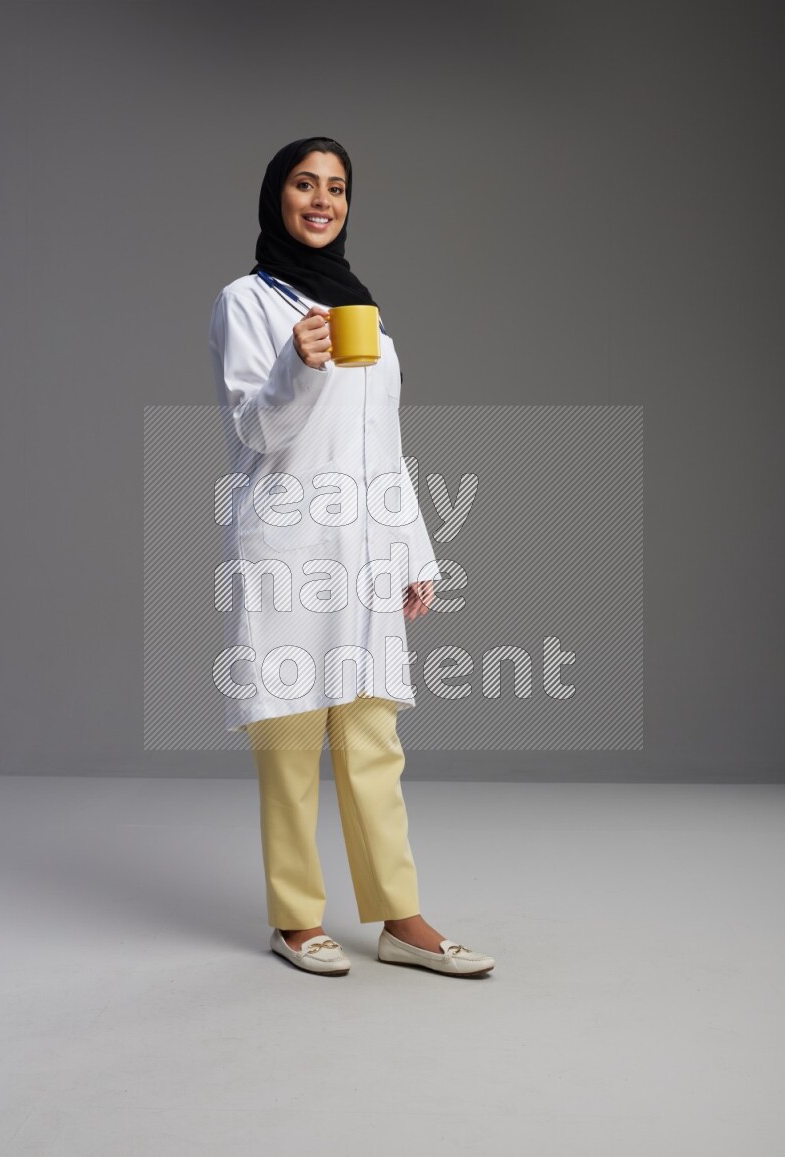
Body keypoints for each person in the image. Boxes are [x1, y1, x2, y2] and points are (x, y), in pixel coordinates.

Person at [208, 136, 494, 978]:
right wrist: (297, 364)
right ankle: (296, 919)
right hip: (288, 550)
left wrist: (416, 550)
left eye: (336, 187)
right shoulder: (246, 303)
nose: (322, 200)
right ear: (278, 197)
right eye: (305, 184)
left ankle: (401, 918)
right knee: (291, 744)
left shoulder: (369, 317)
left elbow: (383, 449)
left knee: (373, 742)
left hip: (366, 553)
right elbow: (255, 429)